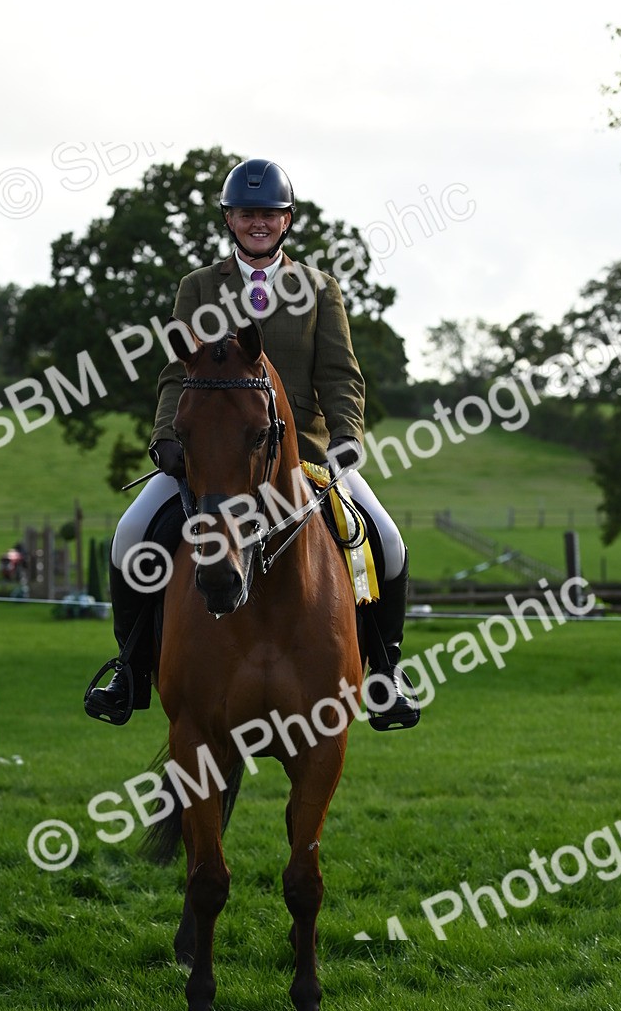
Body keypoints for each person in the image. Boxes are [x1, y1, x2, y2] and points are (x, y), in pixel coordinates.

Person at [85, 159, 420, 731]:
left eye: (268, 213)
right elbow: (177, 372)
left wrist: (346, 436)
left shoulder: (320, 289)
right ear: (229, 219)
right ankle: (130, 669)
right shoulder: (198, 287)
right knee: (130, 535)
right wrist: (166, 437)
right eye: (246, 213)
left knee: (387, 541)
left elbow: (340, 373)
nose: (257, 223)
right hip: (213, 457)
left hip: (304, 457)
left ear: (287, 219)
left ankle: (386, 672)